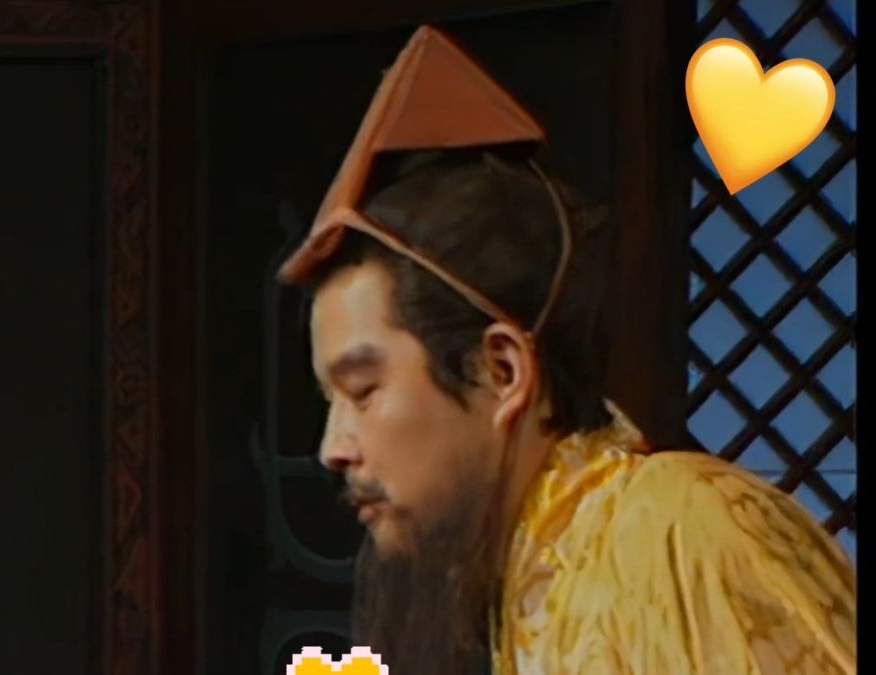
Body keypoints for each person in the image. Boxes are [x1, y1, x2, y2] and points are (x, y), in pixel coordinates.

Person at [276, 25, 857, 675]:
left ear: (502, 370)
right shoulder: (525, 594)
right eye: (331, 400)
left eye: (363, 391)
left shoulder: (680, 530)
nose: (333, 448)